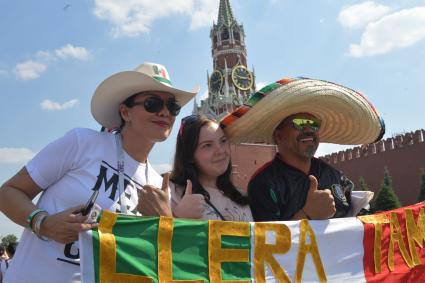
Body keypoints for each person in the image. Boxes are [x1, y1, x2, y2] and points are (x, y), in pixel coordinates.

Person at [0, 62, 198, 282]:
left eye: (173, 107)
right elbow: (9, 192)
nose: (164, 112)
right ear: (125, 112)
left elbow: (151, 262)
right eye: (152, 103)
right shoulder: (82, 143)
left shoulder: (157, 184)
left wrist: (166, 221)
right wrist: (43, 223)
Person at [220, 77, 385, 221]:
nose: (309, 129)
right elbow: (268, 245)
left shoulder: (334, 175)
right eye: (299, 123)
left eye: (314, 124)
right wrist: (307, 214)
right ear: (278, 135)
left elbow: (358, 214)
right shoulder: (263, 184)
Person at [170, 114, 252, 222]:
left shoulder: (241, 196)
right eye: (207, 145)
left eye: (223, 141)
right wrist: (178, 217)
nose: (221, 151)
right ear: (189, 156)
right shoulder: (172, 193)